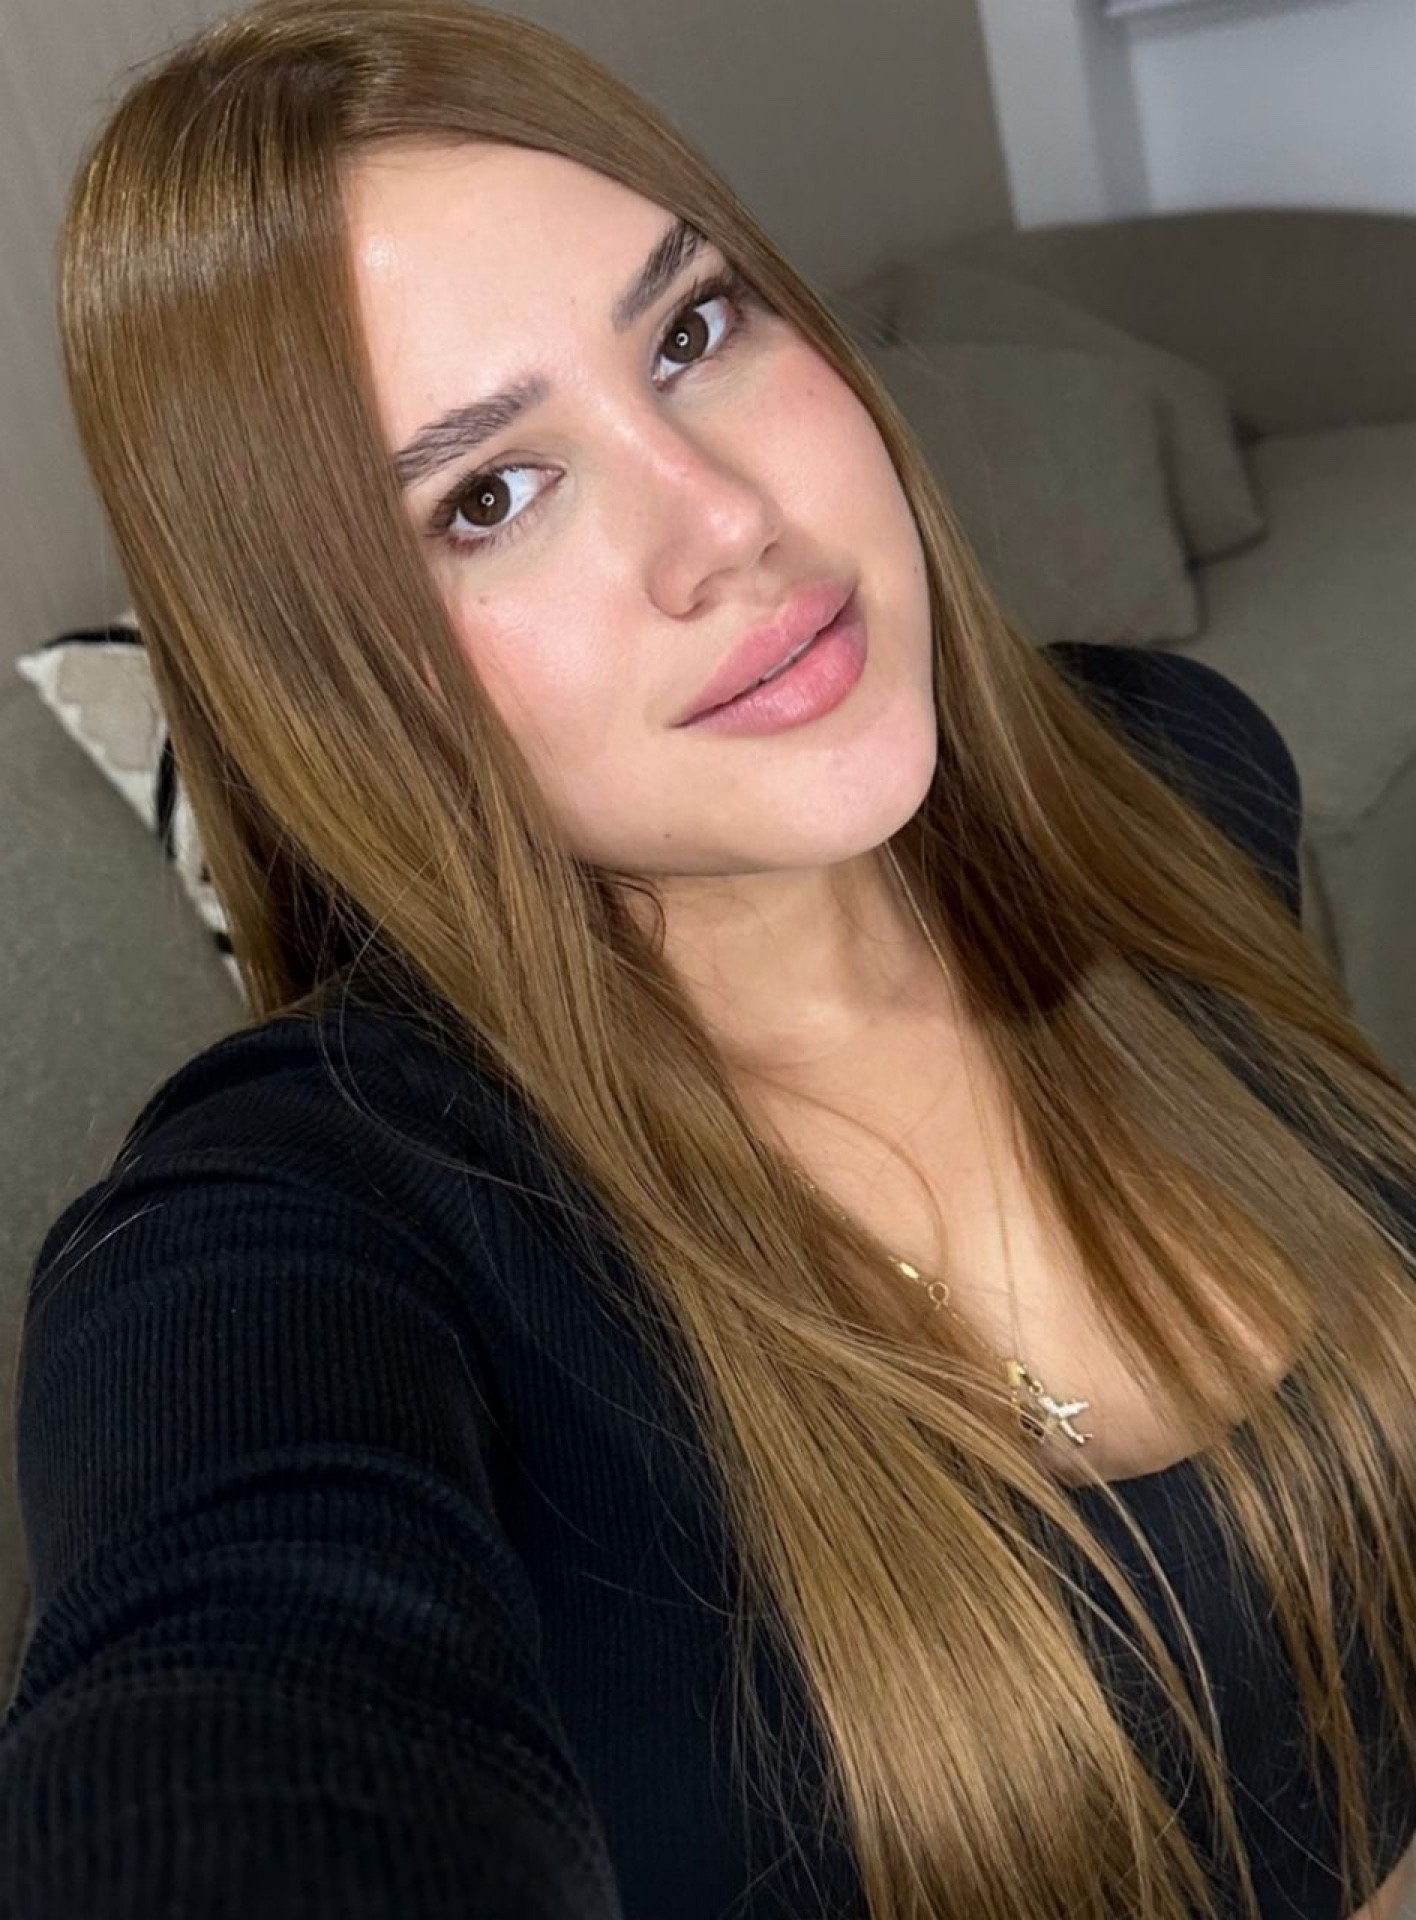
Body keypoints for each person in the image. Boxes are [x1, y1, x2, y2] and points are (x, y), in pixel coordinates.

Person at [2, 2, 1414, 1915]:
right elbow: (238, 1684)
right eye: (488, 497)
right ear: (327, 683)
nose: (729, 524)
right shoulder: (304, 1228)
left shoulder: (1172, 772)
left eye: (690, 330)